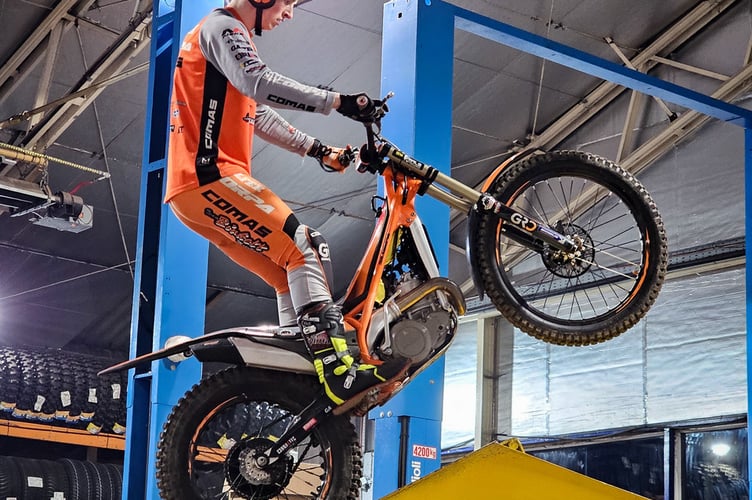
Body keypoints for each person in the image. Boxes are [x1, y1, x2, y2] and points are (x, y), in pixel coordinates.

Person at [164, 0, 408, 407]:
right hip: (210, 178)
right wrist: (339, 101)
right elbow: (258, 82)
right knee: (306, 245)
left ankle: (297, 383)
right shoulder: (223, 28)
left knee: (287, 273)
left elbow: (256, 113)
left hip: (194, 192)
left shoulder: (225, 37)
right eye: (288, 2)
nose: (290, 13)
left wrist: (319, 150)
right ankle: (337, 370)